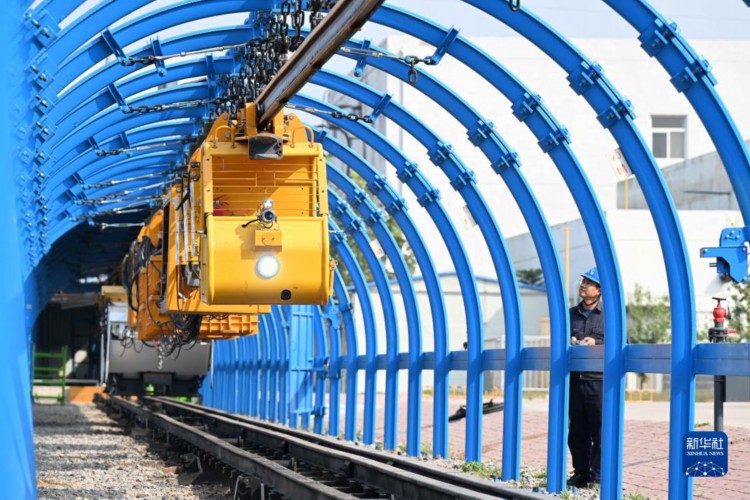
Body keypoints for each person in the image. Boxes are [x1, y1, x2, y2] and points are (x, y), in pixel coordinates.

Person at [568, 267, 604, 488]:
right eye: (583, 281)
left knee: (600, 431)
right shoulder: (570, 314)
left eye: (589, 283)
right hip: (575, 381)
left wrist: (597, 343)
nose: (583, 285)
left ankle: (598, 478)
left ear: (599, 290)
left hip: (599, 382)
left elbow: (623, 344)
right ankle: (581, 473)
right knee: (577, 432)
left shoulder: (610, 316)